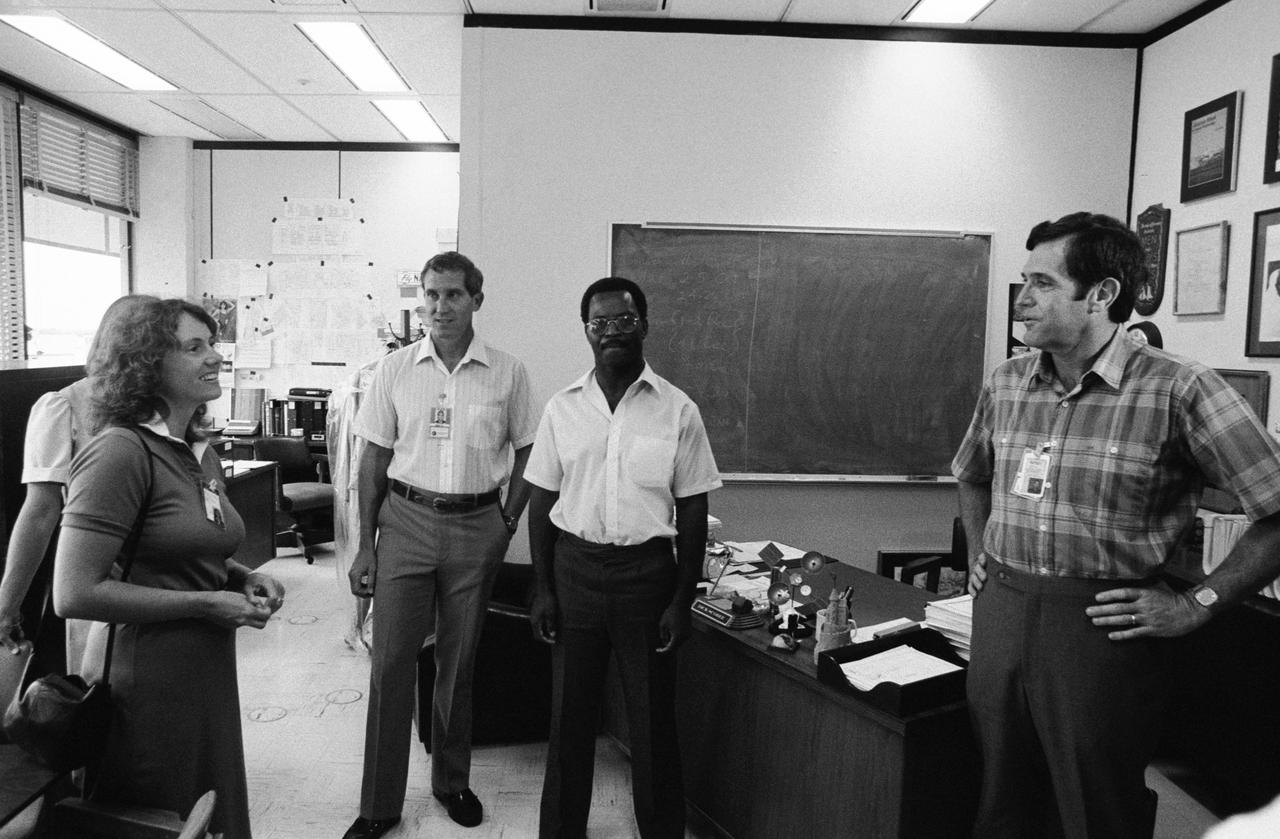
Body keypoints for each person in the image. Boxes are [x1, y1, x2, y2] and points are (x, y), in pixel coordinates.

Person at [952, 212, 1280, 839]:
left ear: (1102, 294)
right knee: (999, 795)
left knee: (1095, 807)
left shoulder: (1179, 389)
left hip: (1101, 627)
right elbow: (971, 472)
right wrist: (979, 552)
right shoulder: (1008, 382)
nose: (1022, 300)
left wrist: (1199, 603)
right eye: (1025, 281)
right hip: (1002, 610)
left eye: (1043, 283)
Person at [53, 297, 285, 839]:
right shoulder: (120, 452)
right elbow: (74, 592)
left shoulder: (184, 450)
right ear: (148, 362)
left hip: (201, 670)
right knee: (166, 815)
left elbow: (182, 545)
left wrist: (237, 576)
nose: (214, 358)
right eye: (193, 347)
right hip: (146, 679)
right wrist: (205, 602)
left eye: (212, 344)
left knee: (209, 810)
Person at [343, 251, 537, 839]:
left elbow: (530, 449)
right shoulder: (396, 370)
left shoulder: (507, 372)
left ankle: (451, 781)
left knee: (459, 661)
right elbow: (372, 458)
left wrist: (506, 520)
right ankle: (379, 804)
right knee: (392, 661)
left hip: (477, 527)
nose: (439, 307)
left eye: (452, 295)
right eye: (430, 295)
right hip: (404, 522)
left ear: (477, 299)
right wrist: (364, 545)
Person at [526, 276, 722, 839]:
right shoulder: (562, 408)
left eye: (624, 322)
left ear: (644, 325)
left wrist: (682, 600)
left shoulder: (678, 410)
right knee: (569, 721)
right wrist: (543, 588)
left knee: (654, 723)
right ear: (586, 331)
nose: (612, 333)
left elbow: (691, 511)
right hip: (576, 574)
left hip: (647, 580)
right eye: (600, 324)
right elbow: (542, 504)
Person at [0, 294, 159, 667]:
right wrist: (9, 601)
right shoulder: (63, 405)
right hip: (99, 576)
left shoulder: (162, 407)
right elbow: (40, 511)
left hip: (166, 579)